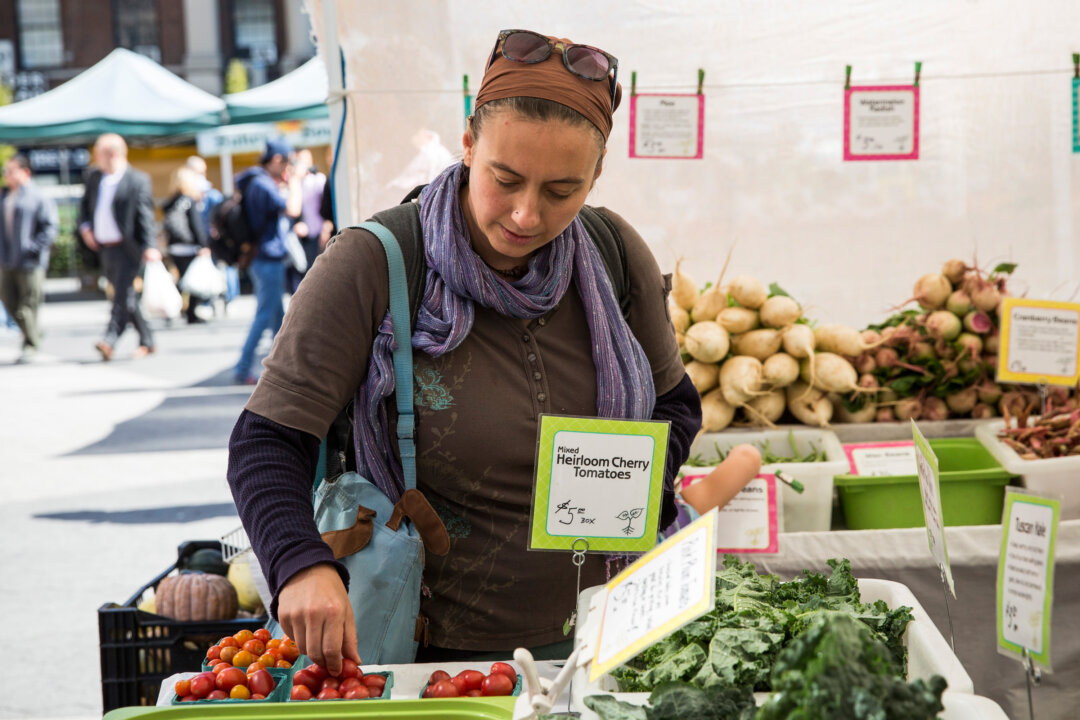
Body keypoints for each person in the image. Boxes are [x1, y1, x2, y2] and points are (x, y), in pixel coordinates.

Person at [226, 29, 701, 675]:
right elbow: (266, 441)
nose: (527, 215)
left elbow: (674, 405)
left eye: (562, 190)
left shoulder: (614, 253)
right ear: (469, 144)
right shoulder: (376, 263)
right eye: (504, 179)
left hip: (603, 643)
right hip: (430, 664)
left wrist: (632, 493)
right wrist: (299, 565)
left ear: (597, 174)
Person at [232, 139, 307, 384]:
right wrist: (294, 181)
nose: (288, 168)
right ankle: (243, 368)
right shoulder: (262, 185)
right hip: (267, 259)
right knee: (265, 315)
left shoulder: (257, 183)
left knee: (278, 317)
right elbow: (294, 209)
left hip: (264, 258)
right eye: (287, 162)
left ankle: (285, 368)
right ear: (276, 160)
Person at [79, 133, 160, 360]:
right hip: (106, 248)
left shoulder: (137, 180)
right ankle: (148, 340)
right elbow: (84, 208)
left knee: (121, 295)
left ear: (112, 154)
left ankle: (109, 339)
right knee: (128, 297)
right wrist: (86, 228)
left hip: (128, 248)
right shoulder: (94, 178)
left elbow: (145, 215)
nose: (95, 159)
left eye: (98, 154)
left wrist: (150, 245)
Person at [0, 154, 59, 363]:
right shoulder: (5, 196)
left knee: (28, 304)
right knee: (9, 302)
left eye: (11, 170)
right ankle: (33, 333)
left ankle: (30, 344)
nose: (7, 175)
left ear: (25, 172)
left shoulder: (38, 196)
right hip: (7, 261)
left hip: (30, 261)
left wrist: (33, 249)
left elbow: (51, 228)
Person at [162, 166, 212, 324]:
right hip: (189, 246)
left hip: (174, 246)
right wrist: (203, 244)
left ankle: (173, 309)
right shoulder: (189, 200)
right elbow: (196, 225)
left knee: (181, 280)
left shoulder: (171, 201)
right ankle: (191, 313)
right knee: (193, 281)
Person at [285, 149, 327, 293]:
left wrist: (325, 228)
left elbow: (326, 207)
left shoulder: (318, 179)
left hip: (315, 233)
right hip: (295, 238)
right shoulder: (291, 181)